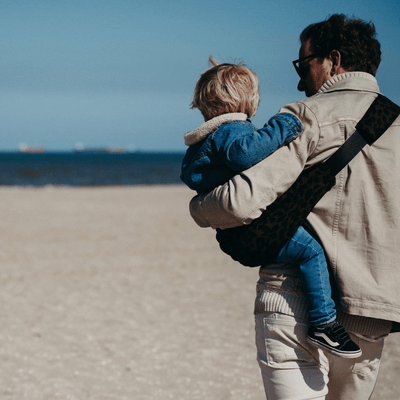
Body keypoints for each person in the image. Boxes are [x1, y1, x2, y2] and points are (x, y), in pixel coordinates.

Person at [188, 14, 400, 400]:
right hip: (373, 308)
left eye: (303, 65)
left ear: (332, 60)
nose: (300, 80)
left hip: (294, 300)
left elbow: (240, 202)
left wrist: (199, 207)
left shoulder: (306, 115)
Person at [181, 56, 361, 358]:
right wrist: (283, 126)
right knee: (311, 250)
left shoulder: (206, 138)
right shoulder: (230, 129)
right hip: (257, 228)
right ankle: (324, 322)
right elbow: (244, 153)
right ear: (245, 99)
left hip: (235, 234)